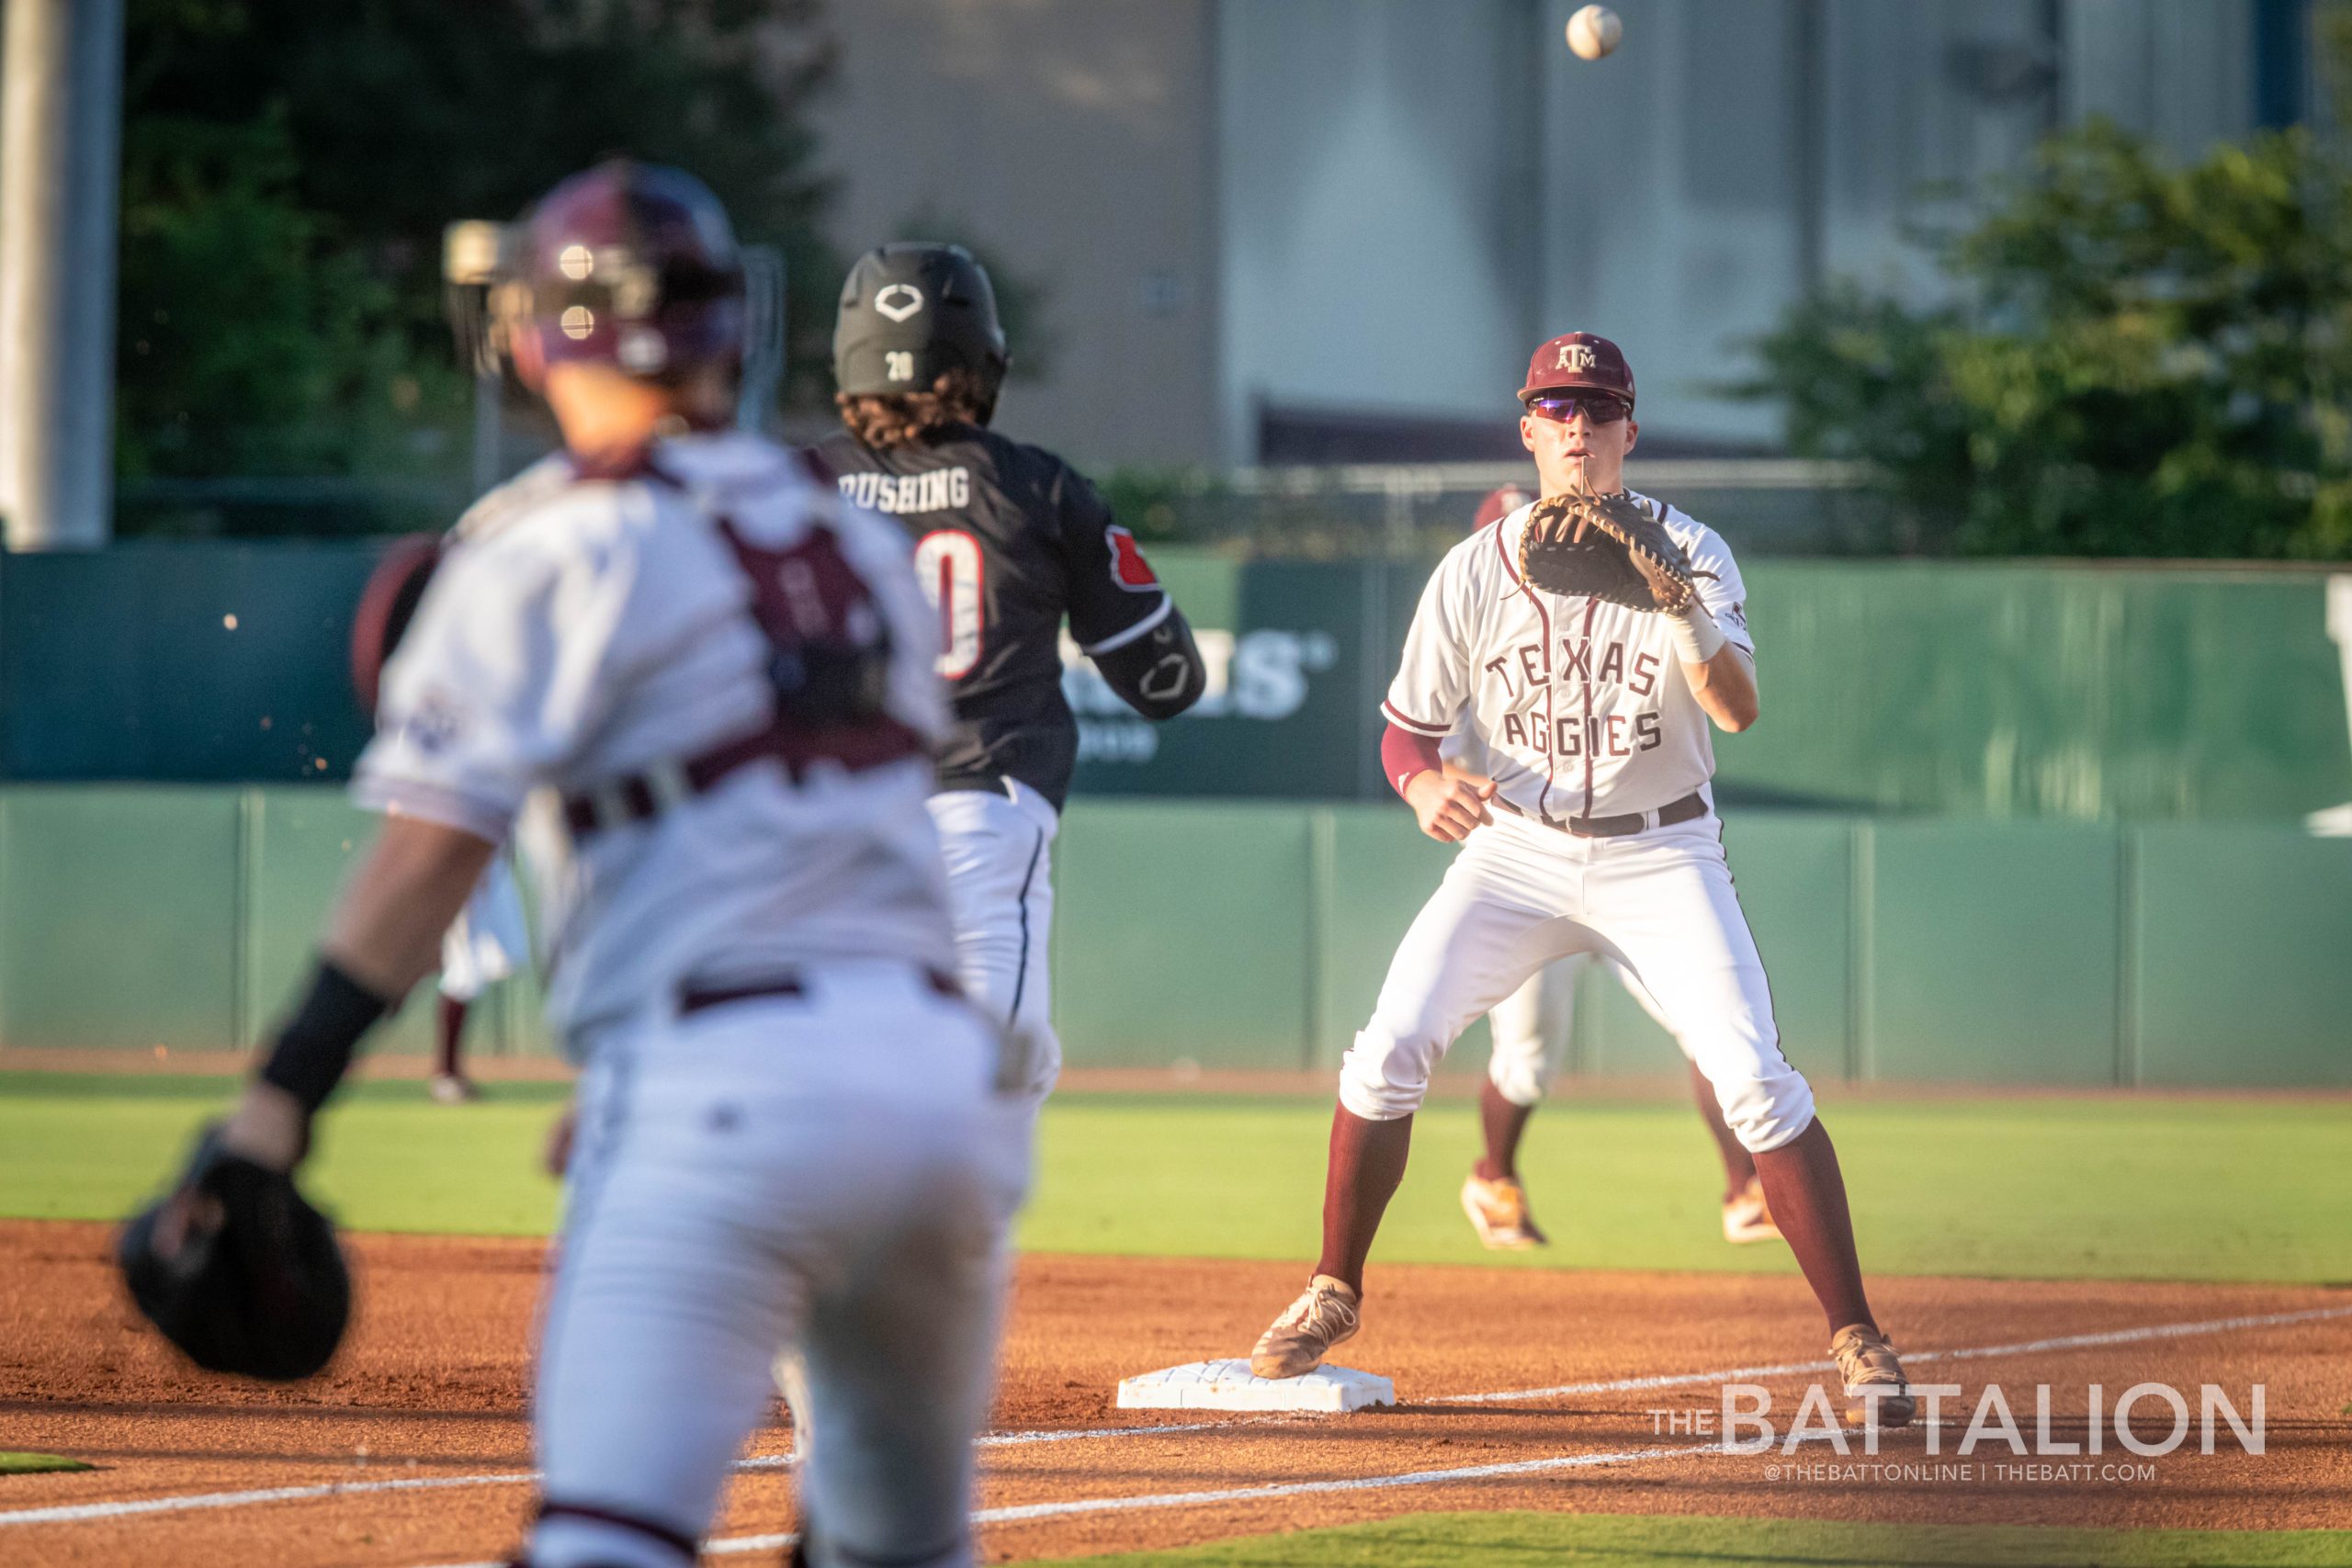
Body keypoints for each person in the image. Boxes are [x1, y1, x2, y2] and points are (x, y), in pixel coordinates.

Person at [130, 162, 1014, 1568]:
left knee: (608, 1536)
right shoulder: (847, 539)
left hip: (722, 1088)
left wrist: (272, 1109)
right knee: (889, 1548)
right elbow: (852, 832)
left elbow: (428, 860)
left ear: (532, 336)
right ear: (733, 330)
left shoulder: (541, 541)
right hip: (936, 1096)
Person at [1248, 333, 1911, 1429]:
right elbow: (1406, 736)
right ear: (1526, 428)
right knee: (1391, 1044)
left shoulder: (1692, 549)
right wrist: (1420, 791)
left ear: (1628, 432)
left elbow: (1738, 710)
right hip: (1516, 848)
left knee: (1752, 1076)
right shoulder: (1471, 568)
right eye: (1555, 407)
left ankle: (1856, 1336)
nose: (1576, 426)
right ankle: (1332, 1288)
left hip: (1663, 849)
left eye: (1596, 409)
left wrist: (1679, 606)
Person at [808, 243, 1206, 1118]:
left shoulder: (795, 486)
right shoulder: (1037, 488)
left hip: (825, 812)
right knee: (999, 1068)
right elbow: (1168, 681)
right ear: (983, 363)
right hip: (977, 805)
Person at [1455, 485, 1780, 1252]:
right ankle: (1493, 1174)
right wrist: (1444, 783)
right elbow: (1433, 745)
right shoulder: (1473, 629)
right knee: (1528, 1059)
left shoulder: (1626, 614)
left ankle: (1744, 1192)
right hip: (1531, 861)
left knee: (1709, 1030)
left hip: (1643, 858)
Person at [429, 856, 528, 1103]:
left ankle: (449, 1073)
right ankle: (446, 1075)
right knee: (463, 974)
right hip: (462, 870)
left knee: (481, 967)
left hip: (488, 867)